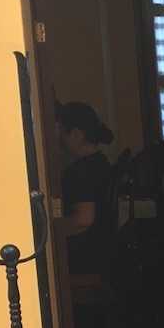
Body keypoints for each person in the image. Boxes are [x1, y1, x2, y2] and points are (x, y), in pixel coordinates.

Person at [55, 101, 114, 266]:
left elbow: (84, 219)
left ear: (76, 134)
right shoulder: (102, 162)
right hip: (102, 250)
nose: (59, 138)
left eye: (61, 132)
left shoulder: (82, 171)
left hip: (86, 254)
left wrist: (52, 231)